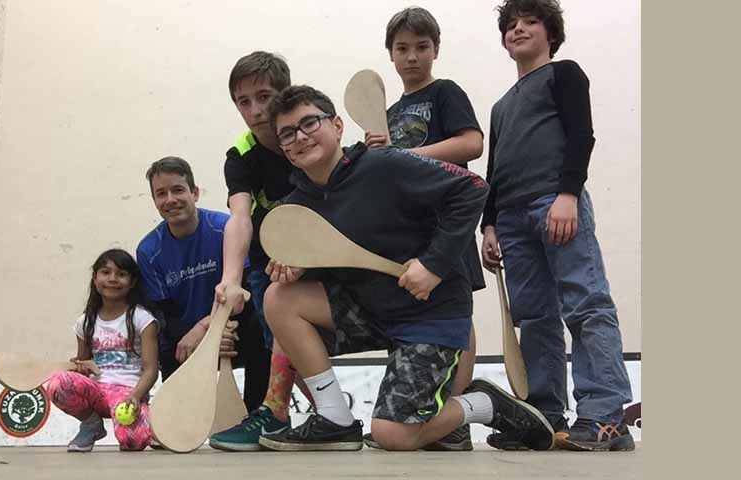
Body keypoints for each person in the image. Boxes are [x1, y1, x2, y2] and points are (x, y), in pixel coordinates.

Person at [255, 85, 554, 452]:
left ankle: (484, 403)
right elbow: (326, 261)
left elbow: (473, 188)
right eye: (288, 133)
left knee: (391, 435)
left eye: (309, 123)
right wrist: (298, 268)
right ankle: (334, 419)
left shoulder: (384, 164)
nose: (300, 137)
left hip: (430, 314)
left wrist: (433, 264)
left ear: (336, 125)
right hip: (373, 311)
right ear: (283, 148)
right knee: (279, 298)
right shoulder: (297, 205)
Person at [480, 0, 634, 452]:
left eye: (529, 22)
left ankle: (606, 417)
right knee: (535, 317)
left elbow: (580, 136)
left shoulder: (564, 73)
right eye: (510, 25)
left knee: (585, 304)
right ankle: (545, 416)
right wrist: (489, 225)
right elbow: (495, 169)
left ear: (550, 32)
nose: (518, 29)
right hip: (510, 217)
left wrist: (567, 195)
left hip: (556, 202)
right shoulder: (500, 105)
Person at [363, 6, 485, 451]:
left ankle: (456, 412)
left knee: (458, 313)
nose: (412, 56)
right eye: (402, 48)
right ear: (390, 55)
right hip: (409, 235)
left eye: (421, 47)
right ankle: (428, 413)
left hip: (449, 222)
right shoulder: (390, 111)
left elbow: (472, 142)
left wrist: (408, 155)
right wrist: (376, 153)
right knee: (423, 314)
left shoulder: (445, 93)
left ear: (435, 50)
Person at [209, 51, 314, 452]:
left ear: (285, 93)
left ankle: (302, 415)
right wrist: (230, 279)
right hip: (267, 263)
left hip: (322, 255)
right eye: (243, 101)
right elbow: (239, 216)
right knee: (280, 339)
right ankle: (313, 413)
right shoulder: (241, 155)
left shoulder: (307, 136)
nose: (254, 110)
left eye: (265, 96)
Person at [136, 157, 269, 413]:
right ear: (154, 201)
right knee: (166, 345)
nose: (170, 199)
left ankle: (256, 414)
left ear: (195, 193)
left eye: (178, 189)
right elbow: (165, 314)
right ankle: (178, 417)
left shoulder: (225, 229)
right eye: (161, 194)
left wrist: (215, 329)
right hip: (189, 338)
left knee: (260, 328)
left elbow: (249, 292)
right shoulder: (148, 250)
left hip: (235, 328)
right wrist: (202, 336)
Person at [45, 249, 159, 452]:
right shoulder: (85, 322)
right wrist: (80, 366)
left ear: (132, 282)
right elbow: (82, 363)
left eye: (121, 274)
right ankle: (91, 425)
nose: (113, 279)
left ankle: (146, 418)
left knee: (135, 441)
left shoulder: (142, 319)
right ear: (95, 279)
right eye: (105, 272)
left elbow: (151, 369)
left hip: (127, 394)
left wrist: (135, 396)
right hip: (96, 391)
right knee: (57, 384)